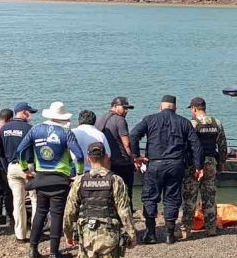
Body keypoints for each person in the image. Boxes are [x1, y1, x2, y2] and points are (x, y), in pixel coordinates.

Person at [63, 142, 137, 258]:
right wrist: (131, 234)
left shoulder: (80, 181)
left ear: (88, 158)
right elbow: (124, 211)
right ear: (105, 157)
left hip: (87, 236)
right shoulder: (115, 180)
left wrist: (68, 234)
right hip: (109, 235)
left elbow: (69, 211)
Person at [130, 95, 204, 245]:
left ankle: (151, 234)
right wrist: (199, 166)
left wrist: (136, 156)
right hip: (176, 165)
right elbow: (196, 145)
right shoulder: (184, 122)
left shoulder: (149, 119)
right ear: (175, 108)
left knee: (150, 197)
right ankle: (170, 235)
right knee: (172, 198)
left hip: (155, 164)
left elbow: (133, 135)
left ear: (160, 106)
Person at [17, 101, 84, 258]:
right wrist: (79, 174)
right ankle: (54, 253)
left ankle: (33, 249)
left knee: (40, 212)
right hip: (60, 179)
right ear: (62, 118)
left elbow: (20, 151)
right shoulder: (66, 132)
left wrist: (26, 169)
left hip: (40, 177)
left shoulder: (35, 130)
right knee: (56, 215)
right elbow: (79, 156)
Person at [181, 97, 227, 239]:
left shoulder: (191, 124)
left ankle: (186, 230)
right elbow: (222, 145)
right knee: (209, 195)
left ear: (194, 109)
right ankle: (211, 227)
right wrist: (222, 162)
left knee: (190, 196)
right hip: (211, 162)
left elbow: (186, 145)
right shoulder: (216, 123)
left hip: (195, 165)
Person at [0, 102, 38, 242]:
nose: (31, 115)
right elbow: (35, 152)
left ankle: (20, 234)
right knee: (35, 199)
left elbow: (0, 153)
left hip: (12, 167)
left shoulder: (4, 129)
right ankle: (35, 232)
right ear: (24, 112)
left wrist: (7, 166)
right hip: (28, 167)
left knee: (18, 201)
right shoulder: (30, 129)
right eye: (30, 112)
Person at [95, 97, 136, 214]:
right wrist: (133, 159)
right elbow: (126, 144)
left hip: (106, 163)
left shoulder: (100, 119)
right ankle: (127, 215)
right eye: (124, 108)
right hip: (122, 162)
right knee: (126, 191)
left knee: (110, 192)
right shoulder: (120, 120)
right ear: (115, 106)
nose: (126, 111)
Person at [0, 109, 14, 227]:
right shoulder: (4, 130)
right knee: (8, 191)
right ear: (9, 119)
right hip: (2, 162)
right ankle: (10, 217)